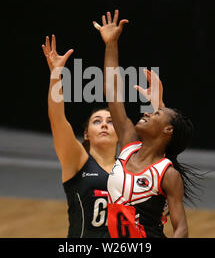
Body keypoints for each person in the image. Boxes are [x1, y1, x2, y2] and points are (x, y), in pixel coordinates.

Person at [41, 34, 165, 238]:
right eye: (97, 121)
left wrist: (157, 104)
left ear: (119, 133)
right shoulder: (77, 161)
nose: (105, 125)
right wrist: (56, 74)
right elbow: (57, 120)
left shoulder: (130, 165)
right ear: (86, 134)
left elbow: (158, 137)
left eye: (109, 121)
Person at [93, 10, 202, 238]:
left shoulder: (167, 174)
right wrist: (111, 44)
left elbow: (181, 228)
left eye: (157, 112)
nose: (147, 112)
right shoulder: (128, 143)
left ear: (168, 130)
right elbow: (113, 92)